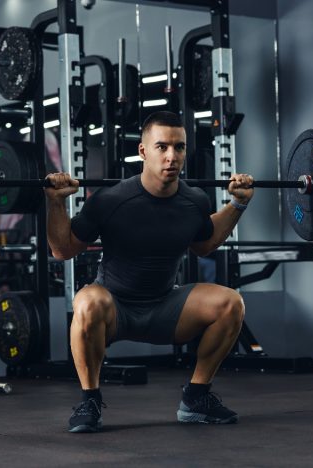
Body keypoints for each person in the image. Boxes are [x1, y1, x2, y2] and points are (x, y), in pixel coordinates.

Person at [45, 111, 254, 433]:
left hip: (165, 307)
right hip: (115, 307)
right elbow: (63, 250)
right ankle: (90, 400)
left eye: (179, 147)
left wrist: (237, 205)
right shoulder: (111, 199)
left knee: (230, 303)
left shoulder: (194, 200)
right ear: (143, 151)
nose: (172, 156)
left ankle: (196, 397)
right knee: (86, 302)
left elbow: (204, 244)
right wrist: (56, 203)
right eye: (162, 147)